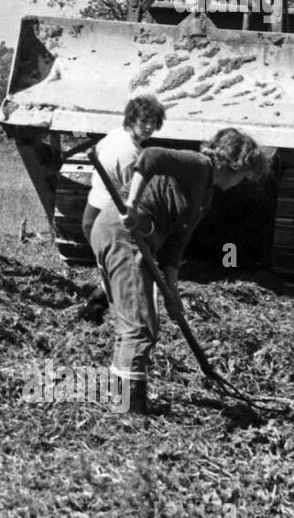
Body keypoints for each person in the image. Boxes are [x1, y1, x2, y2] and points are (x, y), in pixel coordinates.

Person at [90, 127, 269, 415]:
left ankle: (122, 398)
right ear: (234, 163)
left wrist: (173, 295)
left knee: (137, 324)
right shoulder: (199, 165)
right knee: (140, 325)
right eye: (244, 173)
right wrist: (133, 204)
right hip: (123, 233)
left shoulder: (205, 196)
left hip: (135, 239)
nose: (242, 181)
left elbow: (174, 249)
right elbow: (150, 156)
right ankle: (129, 411)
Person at [81, 91, 166, 242]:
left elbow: (98, 151)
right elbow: (134, 197)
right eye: (143, 121)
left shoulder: (116, 134)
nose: (149, 127)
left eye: (153, 122)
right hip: (106, 217)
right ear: (132, 120)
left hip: (93, 209)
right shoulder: (132, 155)